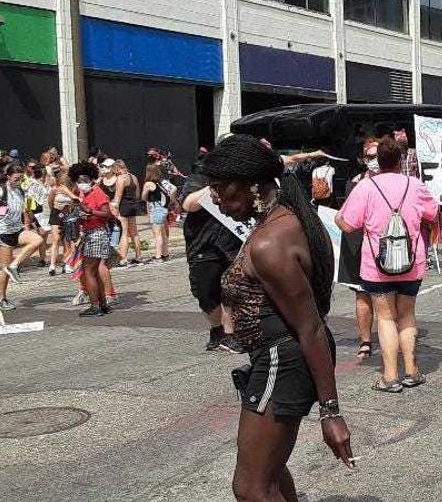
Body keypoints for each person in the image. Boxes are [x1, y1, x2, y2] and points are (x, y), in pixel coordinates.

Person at [201, 135, 354, 501]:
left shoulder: (271, 242)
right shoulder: (283, 219)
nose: (214, 198)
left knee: (250, 487)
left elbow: (310, 327)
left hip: (281, 362)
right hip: (275, 359)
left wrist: (331, 412)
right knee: (269, 472)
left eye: (220, 188)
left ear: (251, 184)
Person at [337, 139, 439, 393]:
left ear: (377, 161)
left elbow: (347, 224)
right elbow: (432, 214)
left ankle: (390, 376)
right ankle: (412, 371)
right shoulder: (414, 185)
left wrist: (342, 216)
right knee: (407, 316)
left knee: (385, 318)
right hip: (411, 263)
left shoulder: (365, 187)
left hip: (376, 266)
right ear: (400, 160)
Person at [179, 159, 244, 354]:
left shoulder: (241, 177)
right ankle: (217, 330)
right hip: (203, 245)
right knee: (205, 293)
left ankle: (232, 334)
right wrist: (215, 186)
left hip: (232, 244)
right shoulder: (200, 177)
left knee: (232, 290)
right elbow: (189, 204)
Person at [336, 138, 380, 360]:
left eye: (378, 156)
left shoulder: (395, 181)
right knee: (362, 294)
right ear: (363, 159)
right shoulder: (355, 183)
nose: (374, 161)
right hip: (359, 245)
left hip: (385, 246)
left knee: (388, 296)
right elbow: (345, 216)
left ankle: (392, 336)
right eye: (370, 157)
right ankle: (365, 341)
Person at [0, 164, 46, 311]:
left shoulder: (20, 191)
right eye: (16, 178)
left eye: (21, 178)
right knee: (4, 268)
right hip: (2, 232)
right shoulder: (0, 192)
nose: (18, 181)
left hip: (17, 230)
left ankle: (15, 265)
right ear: (8, 177)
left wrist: (27, 225)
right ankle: (1, 299)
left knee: (38, 239)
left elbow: (25, 211)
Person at [69, 163, 114, 317]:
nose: (81, 184)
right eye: (78, 181)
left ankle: (95, 306)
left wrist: (90, 211)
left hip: (96, 234)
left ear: (91, 179)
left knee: (89, 271)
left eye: (84, 180)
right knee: (94, 272)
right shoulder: (86, 195)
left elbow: (107, 214)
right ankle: (102, 304)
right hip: (92, 232)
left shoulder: (97, 192)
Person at [101, 159, 144, 267]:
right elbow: (137, 194)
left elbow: (118, 196)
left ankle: (123, 259)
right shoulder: (133, 177)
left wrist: (113, 207)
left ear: (117, 169)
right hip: (133, 205)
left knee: (124, 232)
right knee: (134, 233)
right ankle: (139, 257)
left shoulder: (121, 178)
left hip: (123, 206)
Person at [141, 163, 178, 263]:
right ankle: (165, 254)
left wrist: (146, 193)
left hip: (156, 209)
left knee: (157, 234)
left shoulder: (148, 184)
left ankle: (158, 256)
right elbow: (173, 189)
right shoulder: (159, 183)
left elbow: (143, 197)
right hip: (163, 208)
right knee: (163, 233)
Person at [46, 170, 79, 275]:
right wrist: (55, 210)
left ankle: (67, 264)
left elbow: (76, 201)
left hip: (68, 214)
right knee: (56, 239)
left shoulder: (73, 188)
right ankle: (52, 265)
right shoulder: (55, 189)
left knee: (67, 241)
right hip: (56, 214)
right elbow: (50, 202)